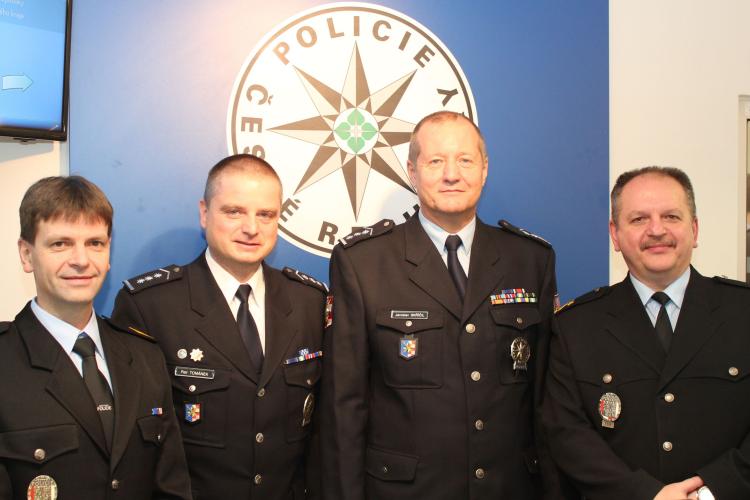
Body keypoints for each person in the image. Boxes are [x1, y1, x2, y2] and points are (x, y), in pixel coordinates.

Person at [320, 111, 559, 499]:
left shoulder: (531, 260)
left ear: (484, 169)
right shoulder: (364, 264)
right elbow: (343, 408)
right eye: (435, 161)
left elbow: (547, 400)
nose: (451, 174)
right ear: (412, 172)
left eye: (465, 160)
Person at [112, 154, 326, 500]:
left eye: (266, 214)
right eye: (234, 211)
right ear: (204, 213)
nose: (251, 228)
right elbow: (133, 441)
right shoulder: (150, 306)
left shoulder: (309, 302)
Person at [543, 166, 750, 500]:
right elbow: (567, 433)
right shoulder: (575, 326)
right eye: (639, 219)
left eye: (671, 216)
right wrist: (646, 495)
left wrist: (711, 491)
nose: (656, 230)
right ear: (615, 235)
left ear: (694, 229)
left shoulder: (743, 311)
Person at [0, 176, 191, 499]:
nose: (81, 260)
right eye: (60, 244)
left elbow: (171, 486)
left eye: (95, 243)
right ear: (26, 254)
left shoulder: (143, 355)